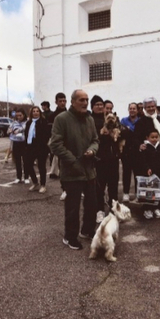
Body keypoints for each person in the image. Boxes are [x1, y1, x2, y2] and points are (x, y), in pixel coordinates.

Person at [49, 89, 99, 250]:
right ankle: (70, 236)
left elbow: (95, 140)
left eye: (86, 99)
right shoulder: (61, 119)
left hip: (89, 171)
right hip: (72, 172)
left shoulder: (90, 119)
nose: (85, 103)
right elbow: (55, 144)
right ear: (72, 102)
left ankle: (87, 230)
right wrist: (73, 161)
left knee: (92, 204)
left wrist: (92, 150)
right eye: (81, 100)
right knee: (73, 207)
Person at [134, 97, 160, 212]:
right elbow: (135, 138)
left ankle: (159, 204)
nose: (151, 108)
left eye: (152, 106)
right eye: (148, 107)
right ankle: (148, 205)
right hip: (148, 157)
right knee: (149, 184)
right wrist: (139, 145)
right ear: (145, 108)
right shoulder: (141, 122)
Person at [91, 95, 120, 224]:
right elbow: (93, 138)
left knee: (113, 185)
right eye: (96, 104)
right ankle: (99, 210)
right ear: (92, 106)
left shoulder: (112, 119)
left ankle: (114, 209)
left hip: (113, 158)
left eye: (101, 105)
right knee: (99, 187)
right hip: (99, 159)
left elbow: (121, 133)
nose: (100, 107)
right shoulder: (90, 119)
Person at [136, 128, 160, 219]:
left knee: (158, 191)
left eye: (156, 137)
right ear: (147, 137)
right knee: (148, 192)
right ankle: (147, 209)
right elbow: (142, 160)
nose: (154, 139)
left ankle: (157, 208)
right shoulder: (145, 148)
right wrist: (147, 168)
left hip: (159, 174)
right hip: (148, 173)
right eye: (152, 137)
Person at [24, 106, 51, 193]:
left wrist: (45, 144)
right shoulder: (29, 123)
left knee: (41, 166)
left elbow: (47, 134)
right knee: (28, 164)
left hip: (41, 147)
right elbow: (26, 134)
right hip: (31, 146)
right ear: (31, 113)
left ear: (40, 113)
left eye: (37, 111)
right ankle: (35, 182)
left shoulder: (43, 122)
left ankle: (43, 185)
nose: (35, 113)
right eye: (34, 111)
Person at [119, 102, 140, 202]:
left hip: (137, 151)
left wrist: (129, 131)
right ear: (128, 110)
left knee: (137, 173)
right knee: (126, 173)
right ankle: (126, 193)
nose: (132, 110)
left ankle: (137, 193)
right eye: (130, 108)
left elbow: (140, 135)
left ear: (137, 110)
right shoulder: (123, 120)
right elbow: (121, 133)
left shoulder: (140, 121)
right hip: (126, 151)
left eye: (134, 108)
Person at [49, 92, 68, 190]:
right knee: (61, 167)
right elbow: (49, 132)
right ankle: (64, 189)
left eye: (64, 101)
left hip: (69, 144)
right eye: (60, 101)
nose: (63, 103)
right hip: (58, 144)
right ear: (56, 102)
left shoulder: (70, 114)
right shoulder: (52, 116)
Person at [7, 108, 29, 185]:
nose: (19, 117)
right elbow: (9, 130)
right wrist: (10, 131)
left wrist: (18, 130)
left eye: (20, 115)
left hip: (24, 143)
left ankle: (26, 177)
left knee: (25, 160)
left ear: (24, 115)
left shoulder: (27, 122)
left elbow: (24, 128)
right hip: (16, 142)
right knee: (17, 161)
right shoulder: (14, 122)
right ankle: (18, 177)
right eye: (17, 116)